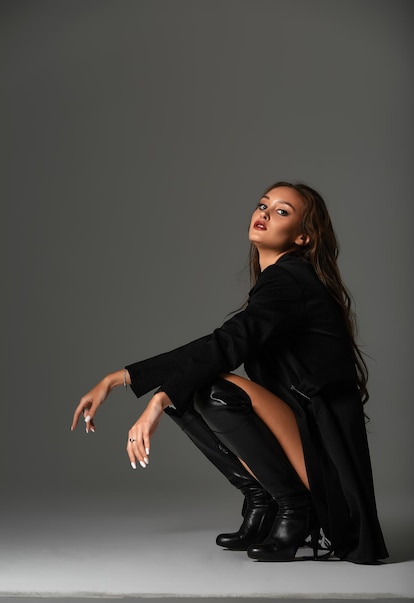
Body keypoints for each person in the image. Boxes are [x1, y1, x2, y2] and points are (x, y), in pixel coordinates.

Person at [71, 181, 388, 564]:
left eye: (282, 211)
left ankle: (294, 507)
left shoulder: (290, 280)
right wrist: (117, 378)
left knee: (208, 390)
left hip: (324, 460)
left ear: (303, 237)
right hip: (307, 442)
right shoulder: (282, 281)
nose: (265, 213)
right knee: (189, 384)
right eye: (263, 204)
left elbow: (226, 345)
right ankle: (263, 500)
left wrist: (155, 399)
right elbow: (221, 344)